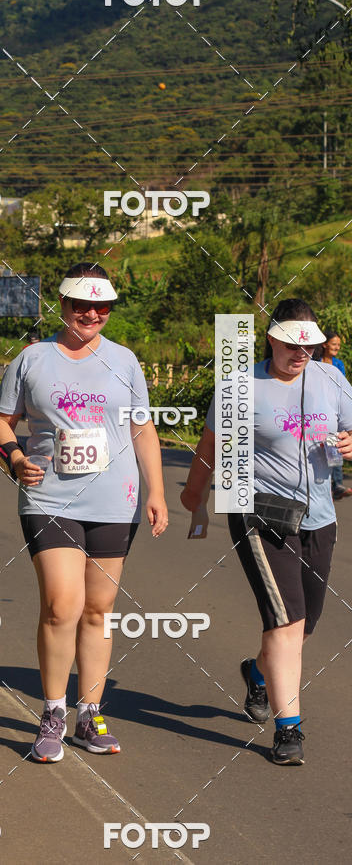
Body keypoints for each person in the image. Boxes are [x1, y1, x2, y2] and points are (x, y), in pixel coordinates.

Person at [0, 262, 168, 763]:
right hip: (50, 497)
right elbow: (3, 422)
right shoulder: (32, 359)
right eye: (79, 305)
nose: (90, 314)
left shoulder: (125, 361)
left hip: (116, 499)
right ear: (62, 305)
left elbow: (142, 429)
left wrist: (156, 491)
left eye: (101, 306)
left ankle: (90, 715)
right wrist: (15, 458)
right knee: (61, 605)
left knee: (98, 610)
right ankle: (52, 712)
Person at [181, 298, 352, 766]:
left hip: (318, 515)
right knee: (286, 619)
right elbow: (212, 444)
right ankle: (288, 728)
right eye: (293, 345)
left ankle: (257, 673)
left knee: (306, 623)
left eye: (310, 347)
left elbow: (350, 432)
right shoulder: (241, 386)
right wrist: (193, 497)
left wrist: (349, 443)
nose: (301, 355)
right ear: (271, 338)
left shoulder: (331, 379)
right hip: (257, 511)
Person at [316, 332, 350, 499]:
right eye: (334, 344)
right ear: (324, 344)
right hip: (318, 409)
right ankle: (325, 486)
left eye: (338, 344)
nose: (337, 347)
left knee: (335, 447)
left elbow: (341, 388)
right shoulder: (315, 362)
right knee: (319, 451)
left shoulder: (338, 364)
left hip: (334, 409)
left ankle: (337, 484)